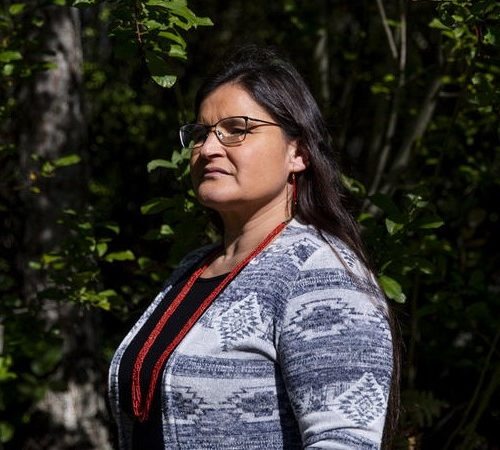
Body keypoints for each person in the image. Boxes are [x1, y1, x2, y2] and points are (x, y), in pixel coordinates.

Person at [108, 45, 398, 449]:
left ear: (297, 152)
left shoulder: (320, 275)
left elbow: (344, 442)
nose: (208, 148)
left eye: (237, 129)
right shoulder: (192, 271)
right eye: (201, 133)